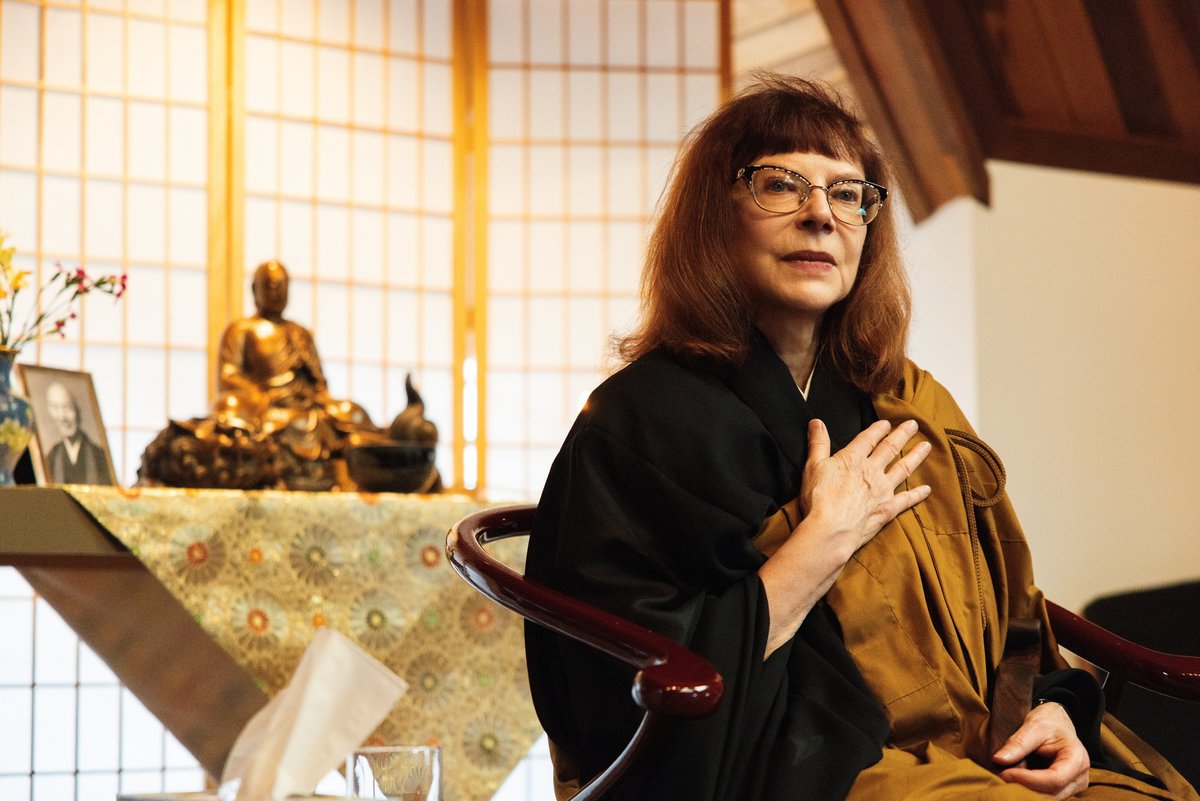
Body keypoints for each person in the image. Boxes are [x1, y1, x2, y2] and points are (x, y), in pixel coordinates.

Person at [523, 75, 1197, 801]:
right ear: (714, 217)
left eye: (848, 193)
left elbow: (1012, 616)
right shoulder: (640, 423)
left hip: (978, 756)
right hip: (806, 770)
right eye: (781, 184)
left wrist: (1055, 711)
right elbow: (621, 698)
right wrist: (824, 539)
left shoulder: (910, 404)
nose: (822, 215)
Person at [44, 380, 112, 485]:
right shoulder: (52, 456)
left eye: (67, 408)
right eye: (56, 408)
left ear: (77, 410)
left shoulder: (99, 454)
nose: (62, 417)